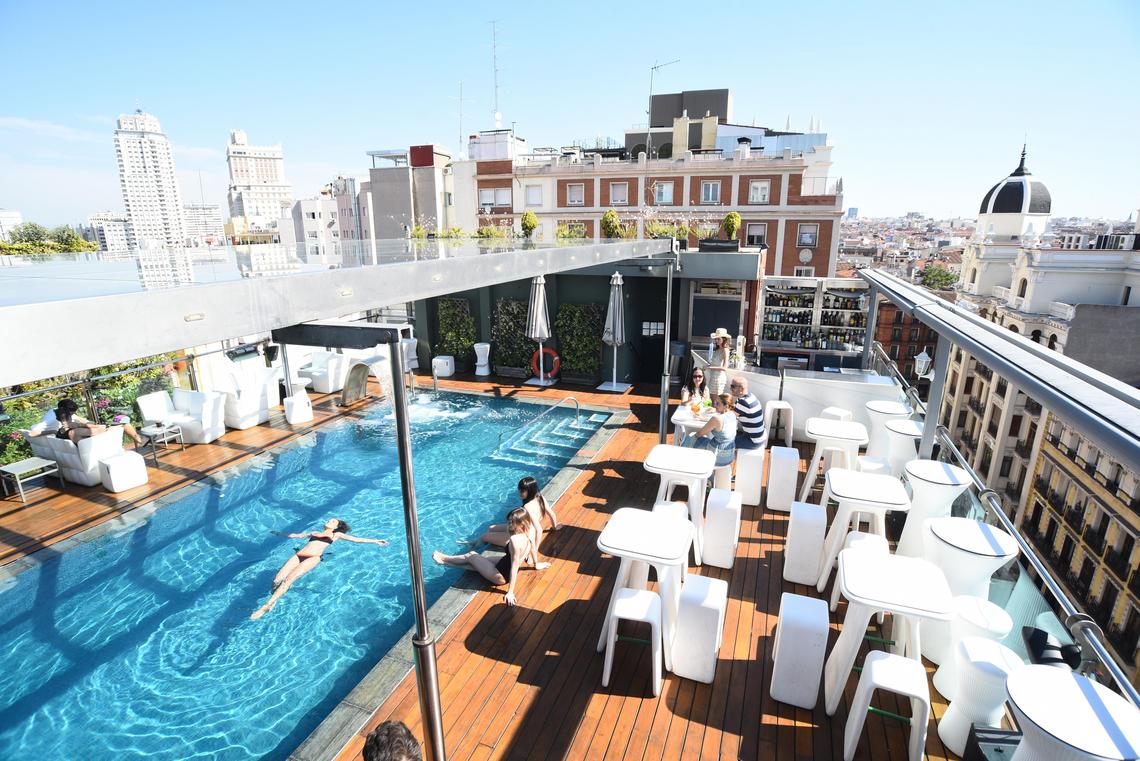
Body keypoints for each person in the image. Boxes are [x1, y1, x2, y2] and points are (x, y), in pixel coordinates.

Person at [250, 519, 389, 620]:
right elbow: (295, 536)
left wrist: (375, 540)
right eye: (330, 520)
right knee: (276, 579)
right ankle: (273, 599)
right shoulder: (314, 532)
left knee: (288, 580)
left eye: (333, 521)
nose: (329, 520)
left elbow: (356, 539)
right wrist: (279, 533)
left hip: (313, 557)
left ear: (336, 527)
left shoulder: (336, 535)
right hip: (299, 555)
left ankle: (266, 606)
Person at [434, 508, 548, 606]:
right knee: (479, 562)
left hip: (501, 576)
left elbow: (514, 566)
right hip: (503, 565)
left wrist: (510, 592)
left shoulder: (514, 540)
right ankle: (448, 563)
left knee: (471, 555)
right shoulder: (530, 532)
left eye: (511, 523)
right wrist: (536, 564)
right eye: (508, 522)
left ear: (521, 524)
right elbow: (533, 549)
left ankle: (444, 558)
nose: (508, 525)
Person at [480, 476, 561, 550]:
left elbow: (539, 529)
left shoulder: (527, 506)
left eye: (522, 491)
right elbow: (552, 514)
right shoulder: (540, 498)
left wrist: (534, 550)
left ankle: (475, 545)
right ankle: (477, 543)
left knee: (484, 536)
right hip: (519, 528)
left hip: (519, 536)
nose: (519, 493)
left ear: (530, 491)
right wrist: (554, 527)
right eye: (519, 489)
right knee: (491, 528)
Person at [31, 398, 148, 447]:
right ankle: (140, 440)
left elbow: (85, 421)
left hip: (79, 436)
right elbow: (32, 433)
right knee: (123, 422)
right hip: (90, 440)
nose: (73, 415)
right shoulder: (52, 420)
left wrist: (54, 431)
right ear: (67, 412)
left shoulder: (60, 415)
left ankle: (139, 440)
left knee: (121, 422)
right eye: (72, 413)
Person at [685, 393, 737, 467]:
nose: (715, 405)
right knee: (702, 439)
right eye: (715, 403)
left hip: (717, 457)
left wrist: (689, 440)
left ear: (726, 406)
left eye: (718, 403)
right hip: (729, 455)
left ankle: (685, 464)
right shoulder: (732, 415)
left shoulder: (717, 419)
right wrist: (704, 419)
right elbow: (719, 423)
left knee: (690, 437)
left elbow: (699, 434)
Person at [729, 376, 766, 451]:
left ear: (741, 389)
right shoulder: (750, 396)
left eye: (732, 386)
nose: (730, 388)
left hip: (752, 441)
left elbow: (728, 417)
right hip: (759, 437)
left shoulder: (743, 402)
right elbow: (734, 410)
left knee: (723, 443)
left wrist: (716, 408)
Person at [705, 329, 731, 396]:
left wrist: (710, 367)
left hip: (719, 378)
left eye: (718, 339)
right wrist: (708, 366)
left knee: (715, 400)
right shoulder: (718, 349)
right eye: (716, 339)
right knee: (712, 398)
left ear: (724, 339)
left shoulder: (725, 350)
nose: (716, 341)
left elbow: (724, 368)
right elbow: (715, 363)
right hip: (713, 376)